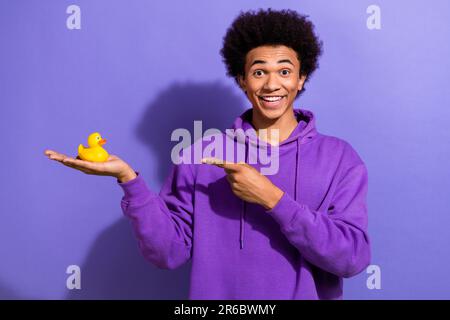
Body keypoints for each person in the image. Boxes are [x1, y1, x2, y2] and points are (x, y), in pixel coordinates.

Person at [44, 8, 370, 300]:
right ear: (242, 79)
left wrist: (272, 198)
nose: (272, 84)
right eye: (259, 72)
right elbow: (167, 253)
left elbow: (351, 259)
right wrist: (128, 179)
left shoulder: (340, 158)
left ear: (301, 79)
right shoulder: (202, 155)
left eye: (285, 71)